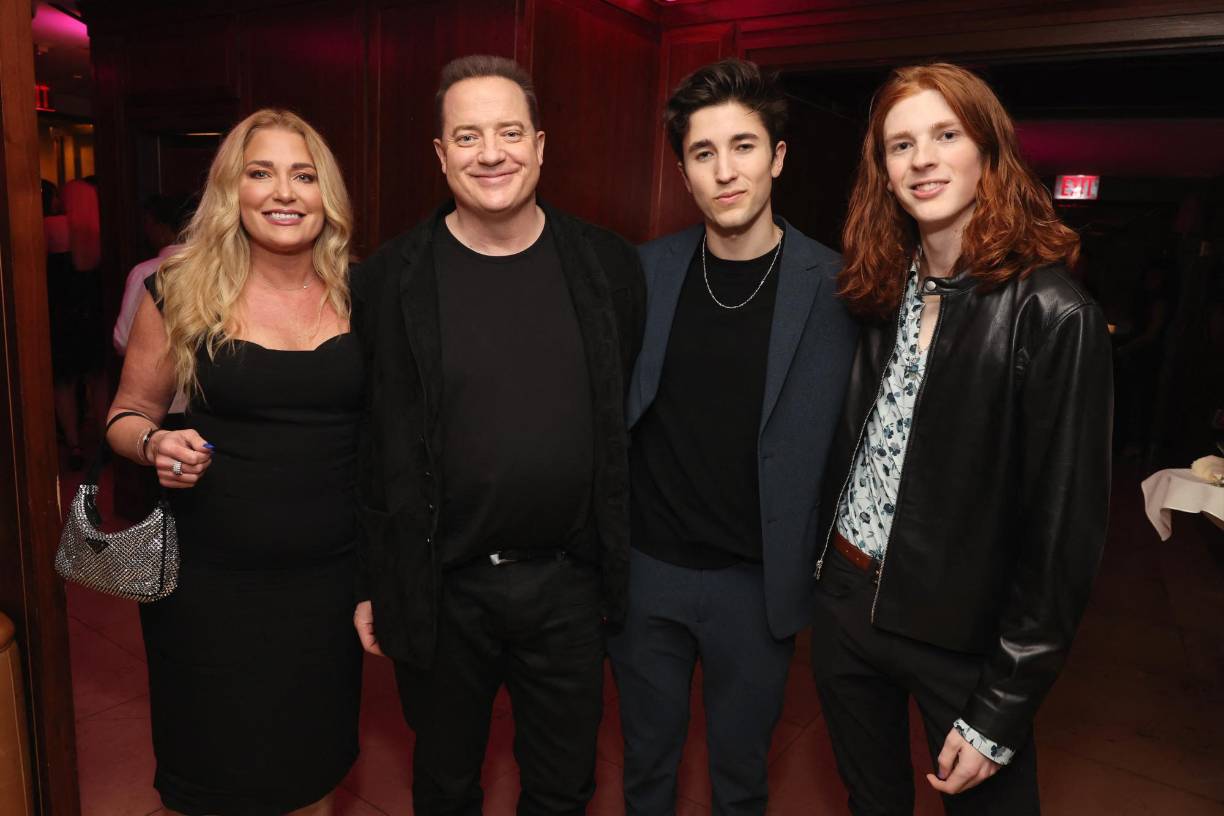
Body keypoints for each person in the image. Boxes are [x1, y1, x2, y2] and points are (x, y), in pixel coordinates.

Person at [811, 63, 1112, 814]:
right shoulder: (881, 286)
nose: (923, 160)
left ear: (988, 150)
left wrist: (1002, 707)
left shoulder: (1054, 314)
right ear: (883, 171)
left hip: (962, 635)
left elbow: (1061, 537)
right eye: (901, 144)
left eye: (946, 135)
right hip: (847, 600)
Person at [350, 55, 645, 815]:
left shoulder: (607, 266)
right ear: (440, 154)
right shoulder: (387, 281)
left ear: (540, 146)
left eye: (510, 133)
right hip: (441, 588)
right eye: (468, 136)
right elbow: (369, 441)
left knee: (563, 786)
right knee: (445, 784)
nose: (491, 153)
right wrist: (370, 583)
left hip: (568, 586)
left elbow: (622, 418)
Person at [606, 58, 856, 816]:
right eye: (702, 153)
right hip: (647, 572)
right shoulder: (644, 272)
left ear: (777, 157)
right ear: (683, 172)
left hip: (757, 584)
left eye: (743, 147)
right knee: (645, 766)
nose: (724, 171)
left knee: (741, 779)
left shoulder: (838, 289)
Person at [105, 108, 362, 816]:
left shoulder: (363, 294)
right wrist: (155, 443)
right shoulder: (179, 289)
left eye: (303, 175)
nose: (283, 192)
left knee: (311, 775)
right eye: (261, 173)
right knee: (215, 779)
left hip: (328, 586)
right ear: (232, 189)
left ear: (325, 194)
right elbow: (126, 415)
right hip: (209, 586)